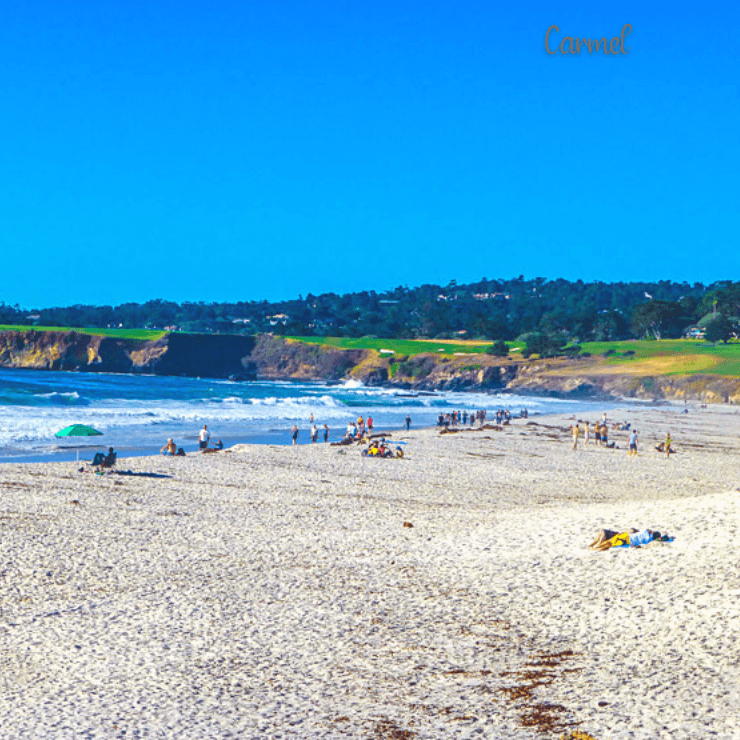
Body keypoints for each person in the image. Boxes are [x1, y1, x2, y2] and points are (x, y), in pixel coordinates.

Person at [592, 528, 668, 551]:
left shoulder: (645, 531)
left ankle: (595, 547)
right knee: (610, 544)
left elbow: (648, 529)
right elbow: (639, 545)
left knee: (609, 542)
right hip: (627, 541)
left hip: (626, 536)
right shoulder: (648, 540)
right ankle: (596, 548)